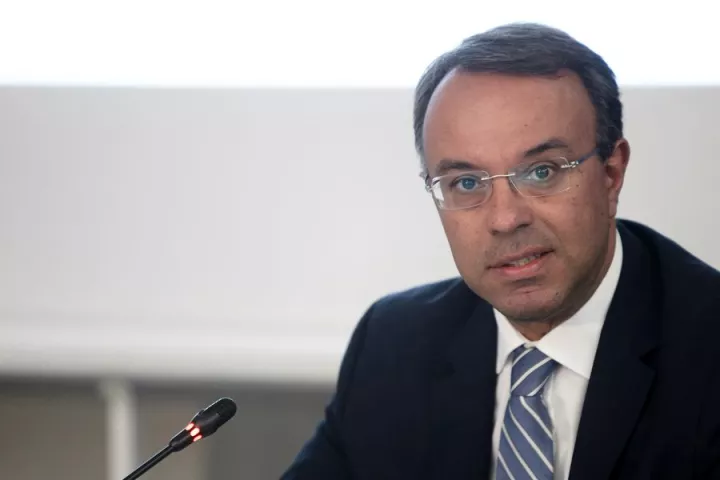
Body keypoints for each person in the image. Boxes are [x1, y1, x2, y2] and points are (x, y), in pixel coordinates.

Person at [280, 23, 720, 480]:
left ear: (611, 174)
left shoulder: (706, 347)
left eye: (542, 172)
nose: (505, 219)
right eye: (466, 183)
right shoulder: (394, 345)